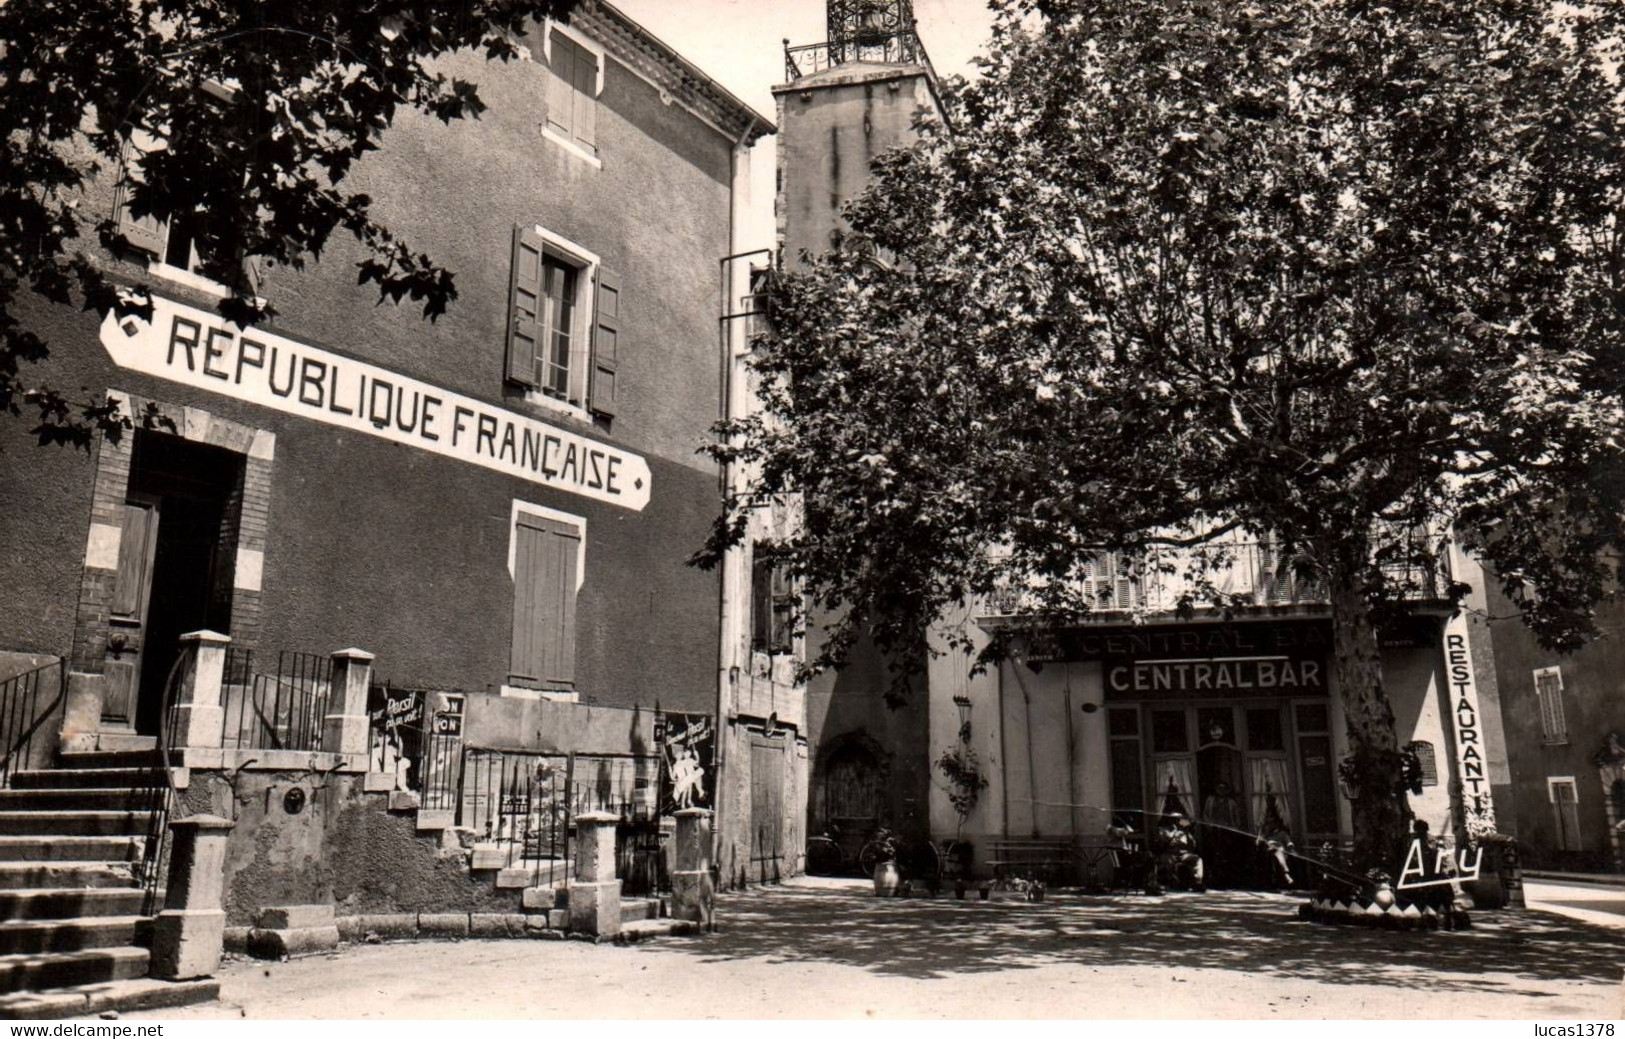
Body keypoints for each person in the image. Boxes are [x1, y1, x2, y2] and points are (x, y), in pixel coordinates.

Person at [1155, 813, 1206, 892]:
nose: (1177, 821)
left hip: (1183, 854)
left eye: (1178, 819)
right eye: (1175, 819)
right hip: (1170, 852)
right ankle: (1172, 882)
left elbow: (1193, 845)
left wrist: (1187, 833)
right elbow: (1164, 840)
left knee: (1197, 859)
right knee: (1167, 860)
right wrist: (1174, 831)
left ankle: (1197, 882)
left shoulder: (1184, 831)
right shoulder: (1163, 829)